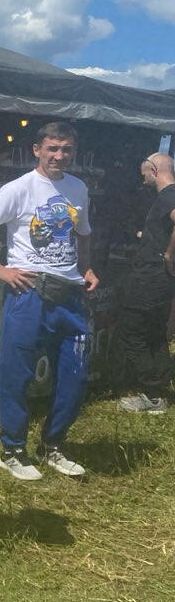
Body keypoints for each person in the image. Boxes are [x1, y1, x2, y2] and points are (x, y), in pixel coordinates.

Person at [0, 121, 98, 480]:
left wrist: (88, 269)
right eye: (52, 148)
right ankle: (13, 449)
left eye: (65, 149)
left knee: (75, 374)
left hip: (70, 295)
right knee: (16, 374)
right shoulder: (19, 188)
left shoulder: (78, 188)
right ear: (37, 149)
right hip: (29, 292)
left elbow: (83, 234)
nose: (59, 156)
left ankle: (54, 446)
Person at [117, 153, 175, 413]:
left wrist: (169, 255)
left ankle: (151, 391)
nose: (144, 181)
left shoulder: (168, 194)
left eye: (144, 175)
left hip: (152, 275)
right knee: (155, 332)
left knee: (133, 329)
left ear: (153, 169)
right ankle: (158, 392)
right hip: (159, 277)